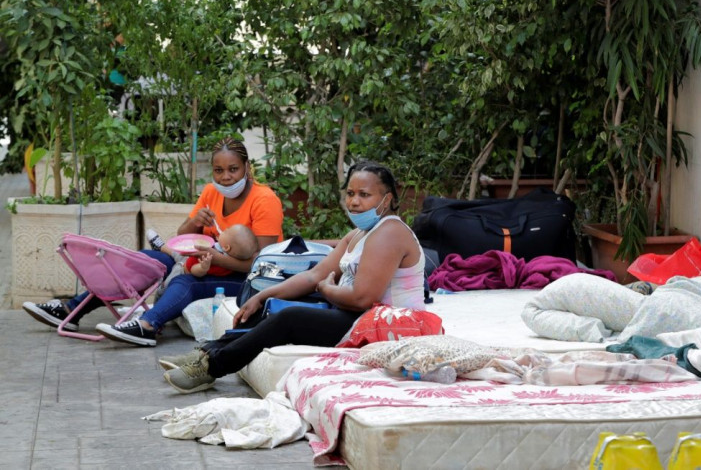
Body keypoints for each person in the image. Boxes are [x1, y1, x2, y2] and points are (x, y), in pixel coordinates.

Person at [160, 160, 426, 394]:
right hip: (358, 315)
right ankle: (208, 350)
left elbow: (361, 298)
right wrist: (263, 295)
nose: (354, 202)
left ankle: (212, 367)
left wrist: (325, 288)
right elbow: (313, 276)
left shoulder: (390, 232)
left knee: (291, 317)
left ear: (387, 199)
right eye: (351, 193)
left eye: (365, 195)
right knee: (271, 303)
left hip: (391, 325)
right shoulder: (359, 234)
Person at [23, 136, 284, 347]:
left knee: (186, 282)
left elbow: (261, 264)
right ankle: (72, 309)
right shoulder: (210, 192)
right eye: (219, 170)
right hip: (207, 262)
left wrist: (212, 258)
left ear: (247, 168)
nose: (226, 177)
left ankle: (147, 325)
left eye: (233, 169)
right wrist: (195, 222)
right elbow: (182, 236)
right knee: (145, 261)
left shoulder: (264, 200)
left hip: (247, 280)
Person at [147, 224, 259, 277]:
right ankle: (161, 247)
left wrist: (202, 267)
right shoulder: (223, 248)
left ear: (227, 248)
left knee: (167, 284)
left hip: (183, 269)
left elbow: (194, 271)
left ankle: (158, 300)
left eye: (226, 231)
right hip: (189, 257)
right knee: (177, 252)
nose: (223, 230)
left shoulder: (218, 263)